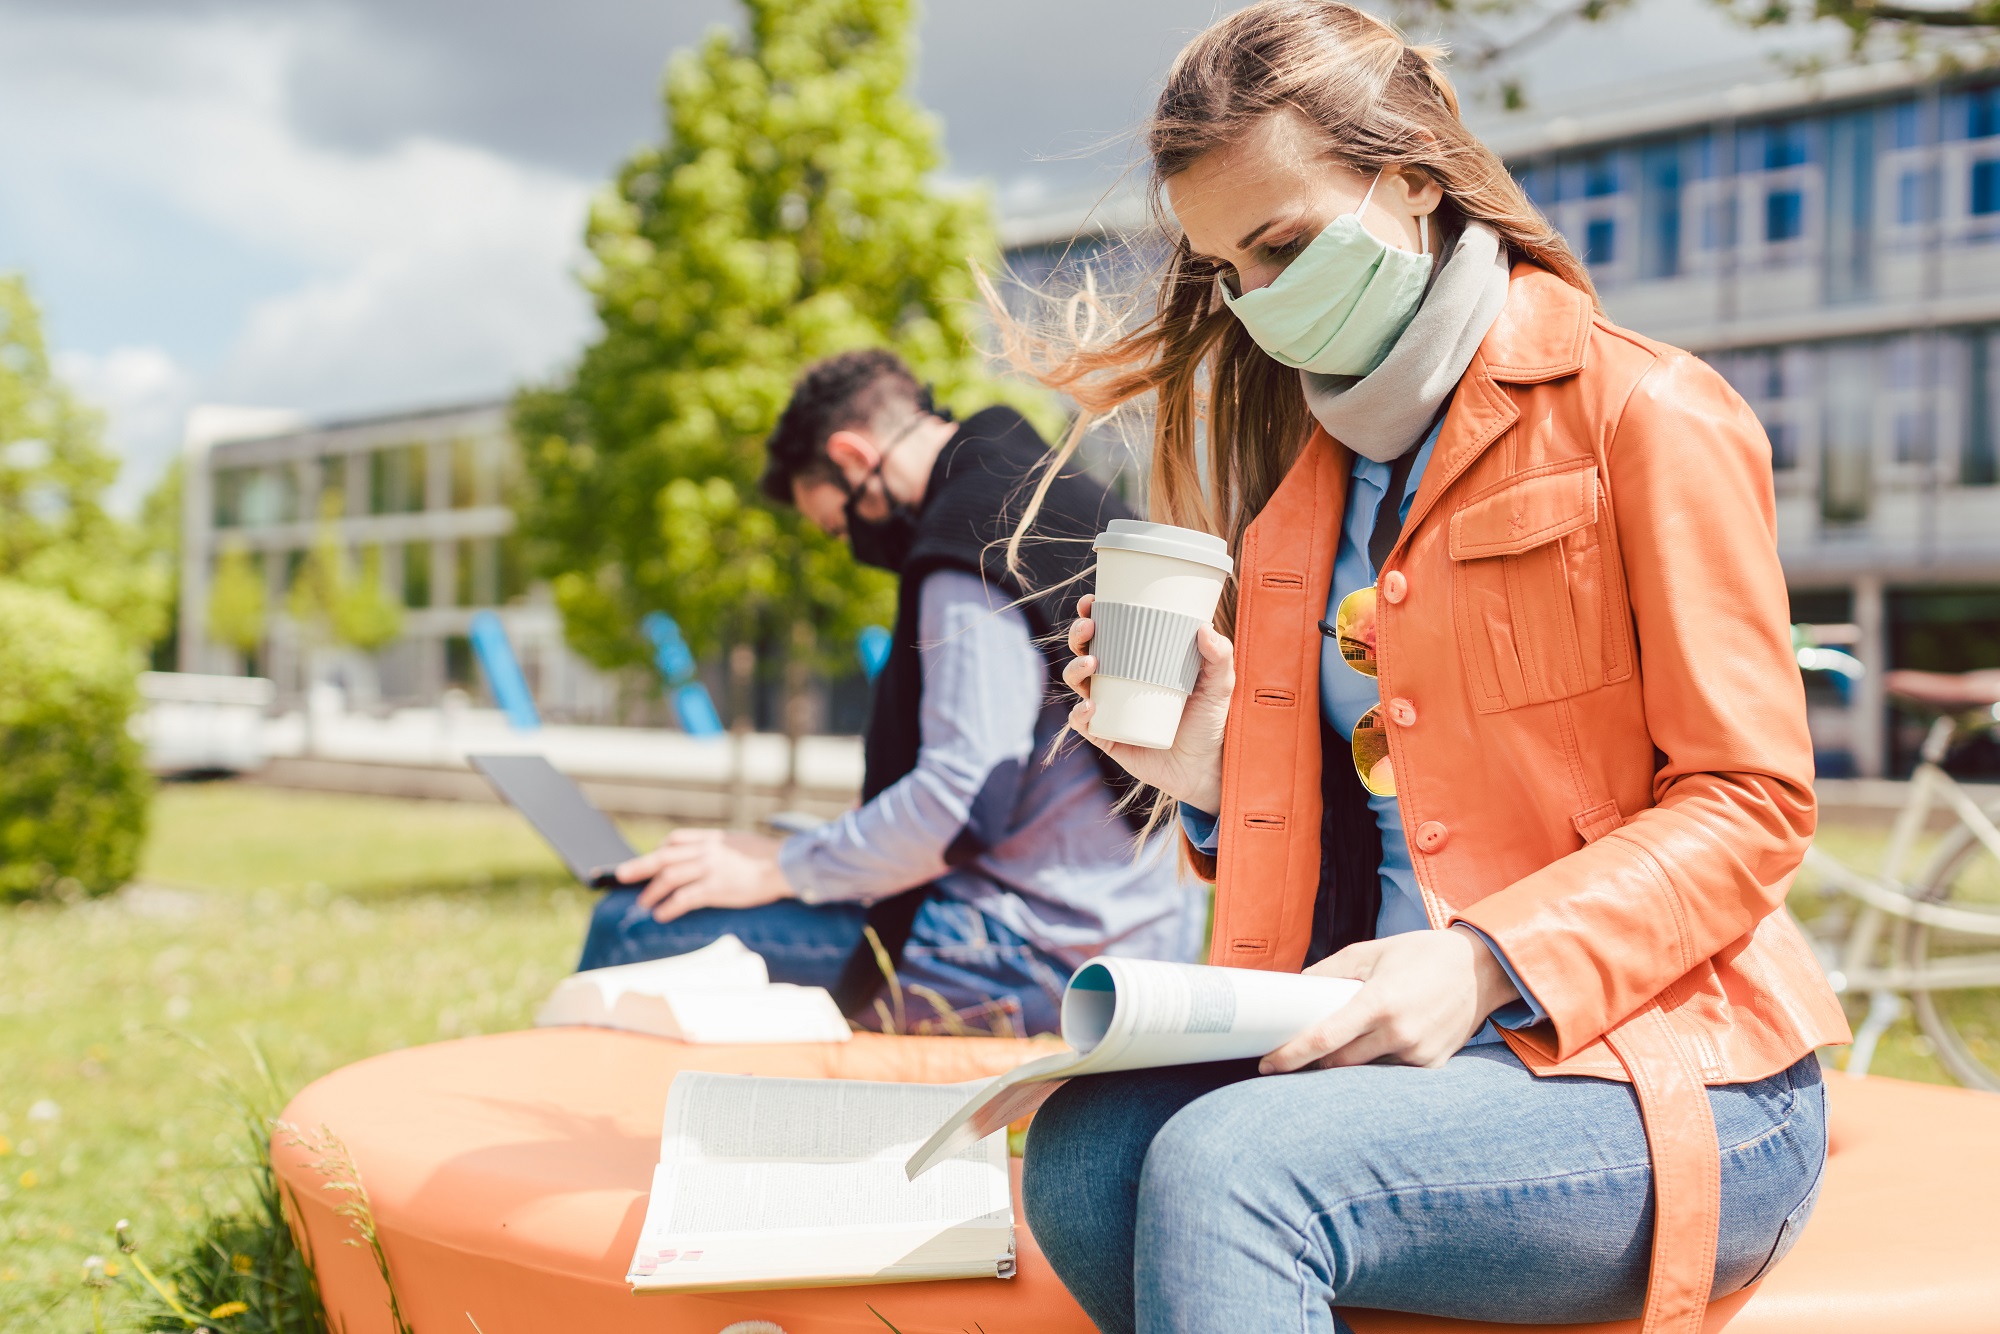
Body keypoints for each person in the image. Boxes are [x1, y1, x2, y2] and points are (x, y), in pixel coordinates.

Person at [1019, 5, 1851, 1332]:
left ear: (1412, 176)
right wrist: (1211, 784)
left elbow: (1750, 804)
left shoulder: (1649, 412)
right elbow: (1352, 863)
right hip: (1407, 1062)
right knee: (1084, 1154)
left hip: (1666, 1068)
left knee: (1233, 1170)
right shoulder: (1298, 503)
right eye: (1229, 267)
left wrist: (1480, 961)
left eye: (1283, 243)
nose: (1256, 300)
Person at [576, 349, 1205, 1035]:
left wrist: (779, 868)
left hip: (1039, 954)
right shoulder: (1045, 483)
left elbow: (958, 805)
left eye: (839, 525)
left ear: (852, 457)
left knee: (632, 924)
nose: (856, 543)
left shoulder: (967, 547)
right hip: (1137, 928)